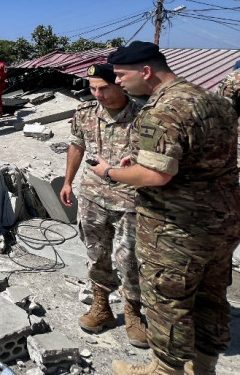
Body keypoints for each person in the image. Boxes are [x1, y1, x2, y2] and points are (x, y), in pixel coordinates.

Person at [88, 41, 240, 375]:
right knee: (211, 298)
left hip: (177, 230)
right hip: (221, 225)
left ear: (145, 71)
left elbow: (156, 175)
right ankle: (203, 367)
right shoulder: (211, 100)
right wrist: (142, 161)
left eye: (122, 76)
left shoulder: (161, 110)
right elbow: (197, 156)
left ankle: (165, 370)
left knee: (168, 302)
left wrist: (110, 172)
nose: (120, 83)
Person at [59, 64, 146, 348]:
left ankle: (133, 313)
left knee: (130, 259)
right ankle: (101, 307)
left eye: (104, 88)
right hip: (92, 197)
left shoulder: (143, 116)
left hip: (130, 201)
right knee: (96, 254)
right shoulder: (85, 113)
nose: (98, 94)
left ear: (120, 84)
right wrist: (68, 182)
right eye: (93, 88)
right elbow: (76, 146)